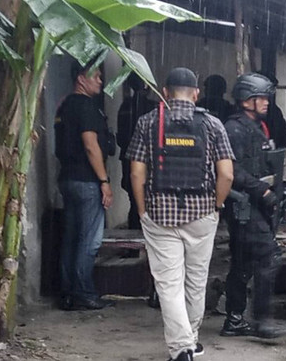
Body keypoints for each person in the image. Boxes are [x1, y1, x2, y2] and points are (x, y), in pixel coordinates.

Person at [127, 68, 234, 361]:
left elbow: (137, 172)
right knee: (196, 281)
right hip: (202, 214)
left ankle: (181, 348)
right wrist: (217, 205)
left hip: (160, 214)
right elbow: (226, 173)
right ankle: (191, 340)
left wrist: (141, 210)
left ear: (165, 90)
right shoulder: (212, 124)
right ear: (195, 93)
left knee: (168, 285)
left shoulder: (148, 122)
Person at [220, 73, 286, 339]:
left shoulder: (256, 126)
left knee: (243, 263)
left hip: (256, 204)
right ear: (247, 100)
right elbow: (231, 168)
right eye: (262, 97)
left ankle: (234, 319)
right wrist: (262, 190)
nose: (266, 102)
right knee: (269, 257)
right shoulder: (234, 129)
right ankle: (260, 320)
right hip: (244, 206)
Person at [54, 59, 116, 311]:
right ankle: (85, 293)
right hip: (87, 180)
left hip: (67, 178)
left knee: (71, 238)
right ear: (81, 78)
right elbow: (91, 146)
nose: (101, 80)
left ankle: (68, 293)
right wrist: (104, 181)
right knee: (89, 240)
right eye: (96, 76)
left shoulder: (64, 106)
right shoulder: (86, 106)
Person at [117, 73, 156, 230]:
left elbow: (121, 137)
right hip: (151, 162)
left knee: (134, 200)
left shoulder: (125, 106)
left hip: (129, 159)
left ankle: (134, 238)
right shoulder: (155, 108)